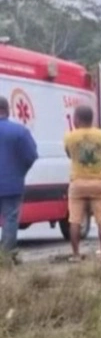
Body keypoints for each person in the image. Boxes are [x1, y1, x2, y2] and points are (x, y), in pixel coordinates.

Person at [63, 105, 101, 263]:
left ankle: (76, 254)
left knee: (75, 220)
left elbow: (69, 155)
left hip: (77, 182)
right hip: (97, 182)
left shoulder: (70, 137)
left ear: (77, 118)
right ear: (92, 119)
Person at [0, 96, 38, 258]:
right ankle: (6, 256)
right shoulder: (20, 131)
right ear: (7, 110)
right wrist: (19, 171)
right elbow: (31, 156)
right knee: (10, 219)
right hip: (12, 184)